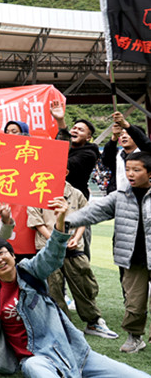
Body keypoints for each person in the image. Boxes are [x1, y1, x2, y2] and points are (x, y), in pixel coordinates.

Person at [0, 197, 151, 378]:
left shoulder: (30, 272)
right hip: (35, 359)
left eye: (1, 253)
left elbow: (51, 255)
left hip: (73, 351)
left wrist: (60, 222)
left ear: (13, 255)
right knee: (36, 370)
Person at [65, 151, 151, 353]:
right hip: (132, 259)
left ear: (149, 173)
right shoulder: (120, 196)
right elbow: (92, 212)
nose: (130, 174)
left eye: (136, 170)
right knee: (134, 303)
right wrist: (66, 222)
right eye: (128, 169)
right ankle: (134, 337)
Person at [27, 178, 118, 339]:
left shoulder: (76, 193)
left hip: (74, 247)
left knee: (84, 284)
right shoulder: (36, 193)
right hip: (48, 248)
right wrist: (56, 240)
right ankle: (63, 325)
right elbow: (37, 223)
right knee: (53, 288)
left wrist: (76, 238)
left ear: (66, 172)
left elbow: (85, 217)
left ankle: (93, 321)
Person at [49, 101, 99, 199]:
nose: (75, 130)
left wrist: (61, 121)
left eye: (81, 130)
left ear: (88, 137)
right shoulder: (67, 148)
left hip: (74, 199)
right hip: (55, 194)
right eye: (74, 128)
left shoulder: (89, 155)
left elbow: (61, 165)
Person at [103, 111, 151, 194]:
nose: (124, 136)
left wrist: (126, 125)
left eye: (128, 134)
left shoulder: (146, 155)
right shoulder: (117, 155)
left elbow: (146, 144)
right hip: (119, 197)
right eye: (121, 134)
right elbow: (106, 158)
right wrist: (114, 137)